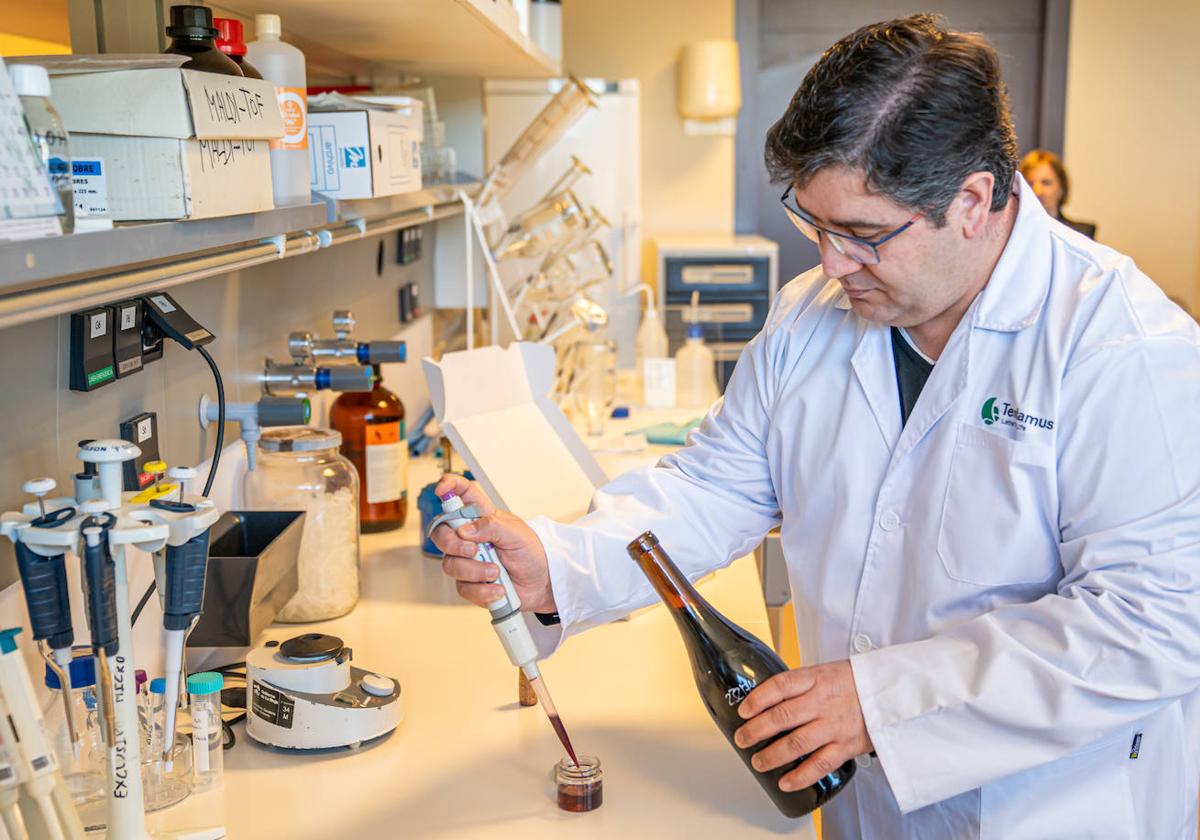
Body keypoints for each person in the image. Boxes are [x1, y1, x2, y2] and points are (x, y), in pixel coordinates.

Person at [434, 13, 1200, 839]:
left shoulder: (1126, 349)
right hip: (865, 803)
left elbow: (1149, 626)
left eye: (863, 235)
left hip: (1048, 808)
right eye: (815, 225)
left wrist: (880, 701)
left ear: (974, 200)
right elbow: (712, 488)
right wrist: (559, 564)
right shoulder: (811, 319)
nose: (831, 264)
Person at [1019, 148, 1098, 238]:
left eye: (1046, 183)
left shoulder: (1081, 234)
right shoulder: (1012, 235)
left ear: (1061, 189)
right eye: (1030, 184)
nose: (1037, 191)